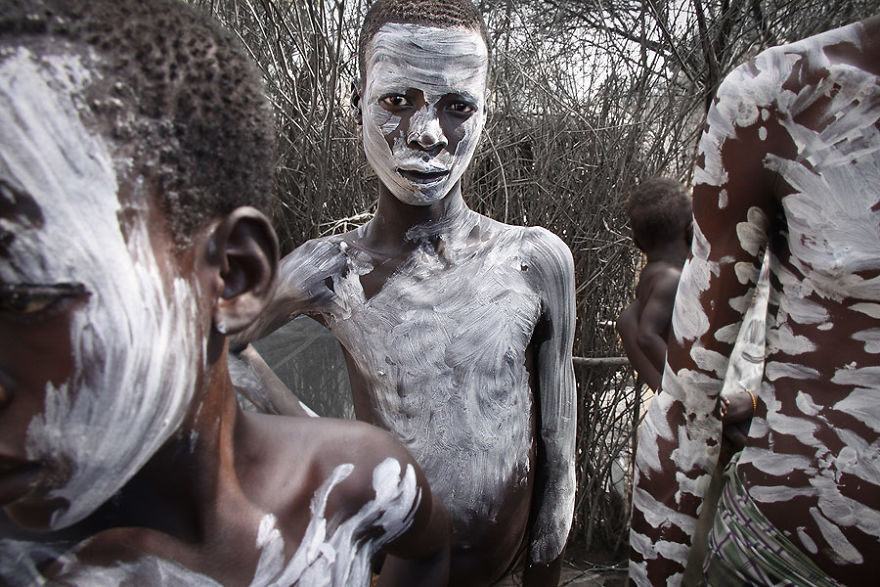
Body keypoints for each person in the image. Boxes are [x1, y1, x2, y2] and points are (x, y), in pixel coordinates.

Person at [0, 1, 451, 584]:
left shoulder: (359, 484)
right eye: (395, 100)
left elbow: (428, 545)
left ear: (231, 276)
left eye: (26, 301)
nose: (428, 134)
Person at [232, 0, 578, 583]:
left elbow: (559, 458)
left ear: (485, 112)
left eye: (457, 106)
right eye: (397, 101)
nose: (427, 134)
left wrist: (544, 577)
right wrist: (332, 449)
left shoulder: (533, 261)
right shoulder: (332, 270)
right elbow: (209, 345)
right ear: (355, 101)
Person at [629, 15, 880, 586]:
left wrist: (757, 397)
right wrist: (708, 402)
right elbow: (678, 392)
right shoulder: (789, 98)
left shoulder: (661, 279)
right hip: (783, 553)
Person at [616, 177, 692, 392]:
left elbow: (631, 328)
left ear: (637, 242)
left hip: (669, 398)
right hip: (690, 393)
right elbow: (647, 336)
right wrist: (691, 387)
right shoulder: (672, 280)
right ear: (690, 231)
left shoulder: (648, 285)